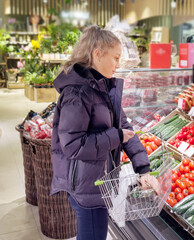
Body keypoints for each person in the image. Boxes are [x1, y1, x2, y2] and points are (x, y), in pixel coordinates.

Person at [50, 25, 157, 240]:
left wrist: (143, 168)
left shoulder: (103, 87)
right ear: (97, 54)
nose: (118, 65)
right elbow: (72, 145)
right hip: (85, 187)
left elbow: (124, 126)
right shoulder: (77, 93)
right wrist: (114, 137)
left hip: (98, 181)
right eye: (115, 58)